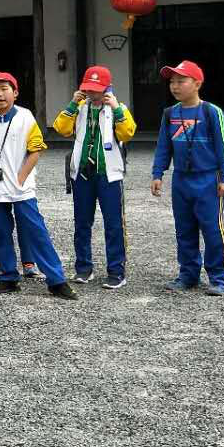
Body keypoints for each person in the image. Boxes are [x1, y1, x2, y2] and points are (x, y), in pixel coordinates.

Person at [0, 72, 77, 300]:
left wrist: (20, 178)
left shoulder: (25, 117)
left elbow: (36, 149)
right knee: (1, 232)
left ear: (15, 93)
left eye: (4, 89)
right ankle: (8, 277)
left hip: (21, 188)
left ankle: (56, 280)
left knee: (35, 231)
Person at [151, 59, 224, 297]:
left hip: (208, 179)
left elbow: (223, 146)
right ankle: (188, 274)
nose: (175, 86)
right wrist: (158, 173)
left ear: (197, 83)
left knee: (212, 229)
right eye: (172, 82)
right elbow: (163, 146)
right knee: (184, 229)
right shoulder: (170, 114)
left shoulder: (211, 112)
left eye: (181, 81)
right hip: (181, 180)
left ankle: (219, 277)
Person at [52, 66, 137, 288]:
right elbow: (61, 128)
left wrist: (116, 108)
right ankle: (83, 268)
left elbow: (128, 133)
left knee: (114, 224)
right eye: (88, 88)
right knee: (81, 223)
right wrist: (73, 103)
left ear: (108, 88)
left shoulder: (119, 108)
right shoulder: (79, 108)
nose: (92, 93)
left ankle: (117, 271)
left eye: (97, 89)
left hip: (109, 174)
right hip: (82, 174)